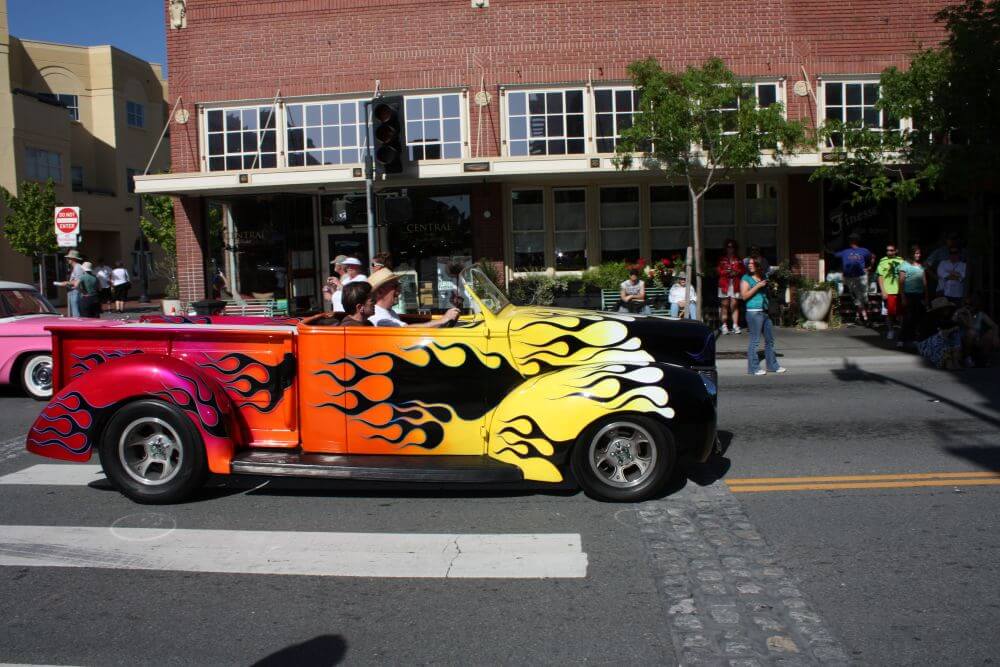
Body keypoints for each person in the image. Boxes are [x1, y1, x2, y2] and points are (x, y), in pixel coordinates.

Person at [368, 268, 459, 328]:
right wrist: (443, 320)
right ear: (380, 292)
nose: (399, 290)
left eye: (399, 285)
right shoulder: (379, 317)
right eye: (395, 286)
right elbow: (407, 330)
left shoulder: (387, 311)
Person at [740, 257, 786, 376]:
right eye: (748, 264)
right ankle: (753, 368)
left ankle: (772, 366)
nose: (749, 265)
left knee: (770, 340)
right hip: (753, 312)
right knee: (754, 341)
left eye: (752, 263)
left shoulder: (763, 276)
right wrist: (757, 286)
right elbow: (744, 296)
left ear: (758, 266)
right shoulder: (746, 278)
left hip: (765, 312)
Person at [834, 233, 874, 324]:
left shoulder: (864, 251)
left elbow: (872, 256)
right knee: (858, 298)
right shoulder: (845, 251)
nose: (852, 242)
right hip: (850, 278)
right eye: (852, 240)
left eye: (853, 240)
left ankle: (860, 317)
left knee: (863, 298)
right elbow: (834, 254)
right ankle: (865, 318)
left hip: (861, 276)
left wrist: (869, 267)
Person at [915, 297, 963, 370]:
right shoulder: (930, 318)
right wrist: (952, 328)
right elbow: (941, 334)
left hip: (941, 342)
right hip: (926, 344)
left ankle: (956, 360)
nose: (947, 310)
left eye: (947, 308)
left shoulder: (947, 318)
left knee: (955, 333)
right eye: (945, 308)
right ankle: (947, 361)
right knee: (940, 337)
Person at [954, 294, 998, 367]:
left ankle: (984, 359)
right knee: (971, 332)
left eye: (970, 304)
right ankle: (967, 358)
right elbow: (968, 326)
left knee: (990, 333)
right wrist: (959, 313)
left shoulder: (980, 314)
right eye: (966, 304)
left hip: (976, 339)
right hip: (963, 340)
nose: (968, 306)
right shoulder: (961, 313)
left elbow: (994, 326)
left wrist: (995, 336)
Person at [898, 245, 929, 346]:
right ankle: (902, 339)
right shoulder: (904, 265)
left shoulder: (921, 266)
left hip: (919, 295)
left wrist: (926, 296)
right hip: (909, 294)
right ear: (911, 254)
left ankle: (914, 338)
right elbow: (901, 282)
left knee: (917, 317)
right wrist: (903, 297)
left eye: (919, 253)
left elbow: (924, 282)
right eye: (916, 253)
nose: (918, 255)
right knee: (907, 317)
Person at [876, 243, 904, 340]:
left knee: (901, 313)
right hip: (888, 291)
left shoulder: (901, 261)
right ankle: (890, 330)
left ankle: (901, 331)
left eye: (891, 250)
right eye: (888, 250)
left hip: (899, 291)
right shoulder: (882, 261)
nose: (889, 252)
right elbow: (880, 277)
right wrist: (883, 291)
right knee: (889, 313)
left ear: (896, 251)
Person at [717, 239, 744, 334]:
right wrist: (726, 272)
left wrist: (736, 272)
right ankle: (724, 325)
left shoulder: (738, 259)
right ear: (726, 248)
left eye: (732, 246)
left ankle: (735, 325)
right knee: (724, 305)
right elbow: (718, 271)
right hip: (724, 283)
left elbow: (742, 271)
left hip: (735, 283)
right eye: (728, 246)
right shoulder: (722, 259)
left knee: (735, 304)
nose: (730, 248)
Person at [53, 249, 85, 317]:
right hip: (74, 292)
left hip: (76, 292)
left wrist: (66, 282)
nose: (67, 260)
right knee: (74, 312)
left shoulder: (78, 267)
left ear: (73, 259)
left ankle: (78, 326)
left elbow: (78, 281)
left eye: (69, 258)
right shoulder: (75, 267)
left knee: (76, 313)